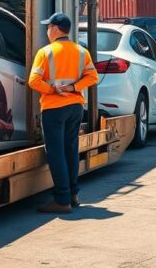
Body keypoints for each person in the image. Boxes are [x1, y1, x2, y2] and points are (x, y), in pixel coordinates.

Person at [28, 12, 99, 213]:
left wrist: (52, 89)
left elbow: (33, 81)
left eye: (48, 27)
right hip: (75, 106)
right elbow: (92, 77)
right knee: (70, 150)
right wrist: (74, 87)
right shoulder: (81, 52)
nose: (47, 31)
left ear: (56, 29)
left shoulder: (45, 52)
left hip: (53, 108)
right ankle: (73, 194)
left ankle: (62, 200)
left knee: (56, 153)